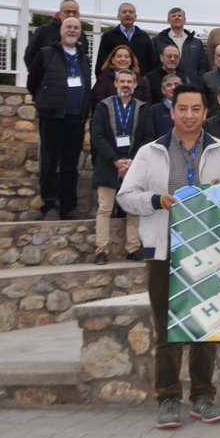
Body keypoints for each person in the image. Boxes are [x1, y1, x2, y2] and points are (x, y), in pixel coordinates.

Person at [117, 84, 220, 429]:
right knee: (167, 328)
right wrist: (156, 200)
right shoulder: (149, 153)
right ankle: (168, 397)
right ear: (171, 112)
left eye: (196, 109)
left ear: (206, 113)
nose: (189, 115)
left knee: (206, 325)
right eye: (182, 109)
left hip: (210, 251)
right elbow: (125, 197)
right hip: (163, 252)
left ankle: (203, 397)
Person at [27, 16, 91, 221]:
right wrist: (45, 102)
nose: (72, 30)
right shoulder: (46, 54)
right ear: (61, 31)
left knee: (70, 164)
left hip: (76, 117)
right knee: (49, 162)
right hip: (53, 116)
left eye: (76, 28)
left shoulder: (83, 57)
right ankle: (50, 205)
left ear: (80, 32)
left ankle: (68, 207)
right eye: (68, 27)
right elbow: (33, 82)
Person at [90, 69, 153, 264]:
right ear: (116, 84)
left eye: (129, 82)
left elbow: (148, 137)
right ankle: (101, 250)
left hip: (134, 166)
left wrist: (133, 160)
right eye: (122, 81)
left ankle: (133, 249)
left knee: (133, 208)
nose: (126, 85)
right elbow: (97, 136)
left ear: (135, 85)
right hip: (109, 164)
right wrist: (115, 159)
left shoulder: (143, 108)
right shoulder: (103, 107)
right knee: (105, 208)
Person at [23, 0, 90, 67]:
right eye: (67, 12)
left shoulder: (81, 34)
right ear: (60, 14)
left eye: (74, 12)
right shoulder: (43, 31)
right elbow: (29, 55)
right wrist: (39, 75)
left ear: (78, 15)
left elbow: (84, 58)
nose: (71, 15)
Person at [95, 2, 157, 75]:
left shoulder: (144, 36)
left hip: (139, 81)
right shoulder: (108, 36)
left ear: (135, 16)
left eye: (131, 12)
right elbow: (101, 61)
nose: (127, 14)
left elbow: (151, 62)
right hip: (114, 82)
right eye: (124, 12)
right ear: (118, 16)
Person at [153, 7, 208, 81]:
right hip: (166, 85)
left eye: (180, 15)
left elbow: (203, 66)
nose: (177, 17)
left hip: (192, 86)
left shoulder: (196, 43)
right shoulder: (157, 41)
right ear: (168, 20)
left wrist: (198, 82)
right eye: (173, 16)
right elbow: (153, 63)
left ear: (185, 20)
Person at [92, 44, 151, 109]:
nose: (123, 59)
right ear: (113, 60)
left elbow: (146, 101)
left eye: (126, 57)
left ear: (131, 61)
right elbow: (99, 100)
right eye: (119, 56)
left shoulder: (140, 80)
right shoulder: (103, 79)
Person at [149, 73, 181, 138]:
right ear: (163, 90)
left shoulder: (190, 108)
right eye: (169, 85)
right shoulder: (154, 110)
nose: (173, 87)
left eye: (176, 84)